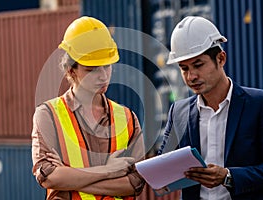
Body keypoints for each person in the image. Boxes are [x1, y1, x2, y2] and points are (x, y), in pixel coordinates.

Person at [31, 16, 145, 200]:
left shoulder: (128, 118)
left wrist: (68, 176)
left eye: (106, 66)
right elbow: (49, 177)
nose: (103, 76)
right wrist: (109, 171)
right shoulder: (48, 115)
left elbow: (135, 183)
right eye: (91, 69)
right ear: (70, 70)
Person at [157, 16, 263, 199]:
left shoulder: (258, 104)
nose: (191, 76)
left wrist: (229, 177)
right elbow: (162, 169)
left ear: (221, 59)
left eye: (198, 65)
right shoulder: (179, 112)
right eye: (184, 68)